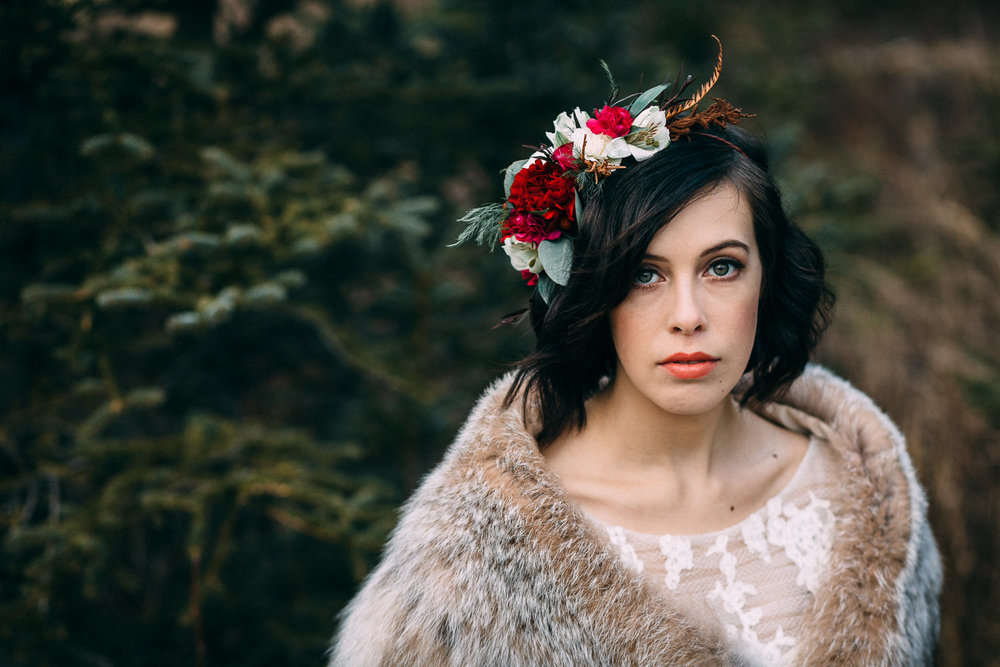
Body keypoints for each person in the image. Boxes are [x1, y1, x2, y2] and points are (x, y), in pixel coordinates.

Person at [329, 40, 941, 666]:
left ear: (769, 274)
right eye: (643, 275)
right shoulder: (467, 557)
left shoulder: (866, 501)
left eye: (722, 267)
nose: (688, 317)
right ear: (592, 289)